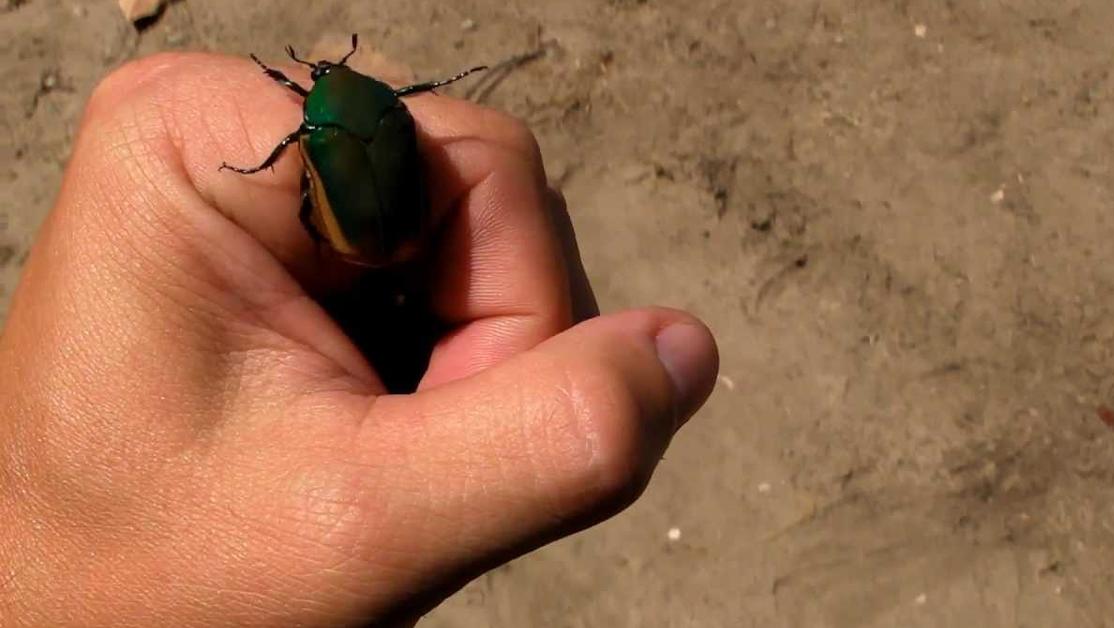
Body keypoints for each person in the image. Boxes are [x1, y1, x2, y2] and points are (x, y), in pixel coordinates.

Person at [0, 52, 719, 626]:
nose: (316, 76)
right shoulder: (391, 113)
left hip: (355, 233)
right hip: (391, 227)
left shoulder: (308, 129)